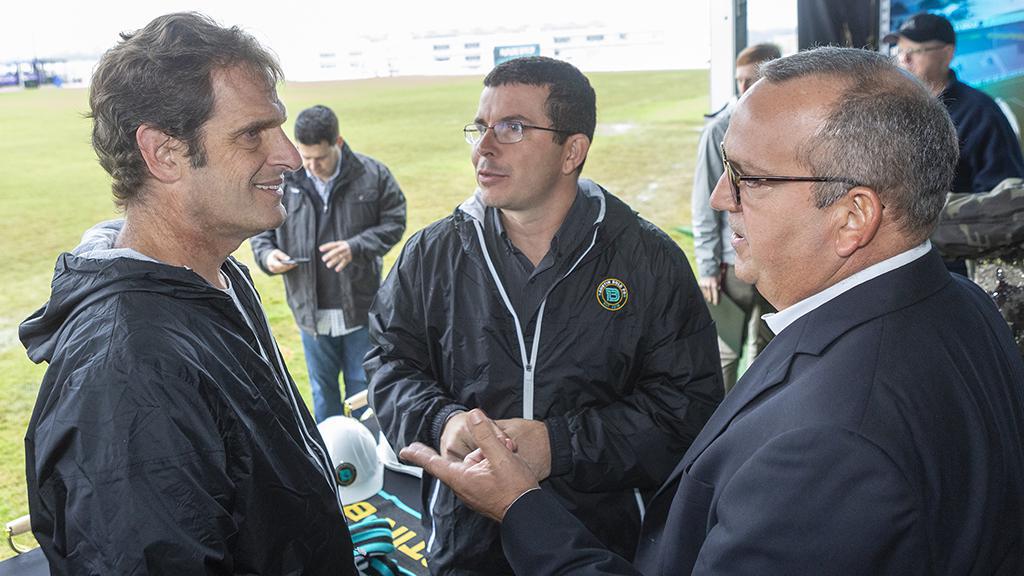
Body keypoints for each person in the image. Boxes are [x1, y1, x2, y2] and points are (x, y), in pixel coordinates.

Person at [401, 47, 1024, 575]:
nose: (721, 198)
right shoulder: (959, 304)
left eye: (749, 177)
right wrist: (443, 420)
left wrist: (520, 504)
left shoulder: (828, 444)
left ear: (852, 216)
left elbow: (686, 412)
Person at [19, 13, 357, 574]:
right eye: (252, 134)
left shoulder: (213, 277)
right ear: (164, 153)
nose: (290, 157)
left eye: (279, 127)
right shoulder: (128, 374)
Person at [365, 56, 722, 575]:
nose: (484, 148)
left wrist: (558, 446)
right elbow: (390, 363)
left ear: (571, 151)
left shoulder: (649, 261)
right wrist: (444, 422)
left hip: (599, 551)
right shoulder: (431, 255)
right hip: (468, 550)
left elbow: (687, 409)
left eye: (512, 127)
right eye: (481, 127)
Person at [251, 104, 406, 422]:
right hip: (310, 314)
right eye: (305, 157)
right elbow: (261, 231)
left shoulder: (373, 175)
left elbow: (395, 221)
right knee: (322, 392)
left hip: (360, 310)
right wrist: (268, 255)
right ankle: (329, 451)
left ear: (338, 142)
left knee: (363, 389)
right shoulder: (282, 180)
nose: (311, 166)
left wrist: (356, 247)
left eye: (319, 158)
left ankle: (365, 448)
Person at [691, 43, 779, 392]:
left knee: (769, 352)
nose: (743, 88)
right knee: (724, 355)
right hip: (732, 265)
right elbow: (705, 203)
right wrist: (707, 266)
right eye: (739, 80)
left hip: (776, 260)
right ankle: (719, 421)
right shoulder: (719, 130)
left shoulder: (786, 127)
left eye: (752, 80)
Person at [885, 12, 1024, 195]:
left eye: (914, 51)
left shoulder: (981, 114)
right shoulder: (891, 109)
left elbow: (1004, 197)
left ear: (947, 53)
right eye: (899, 50)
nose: (904, 59)